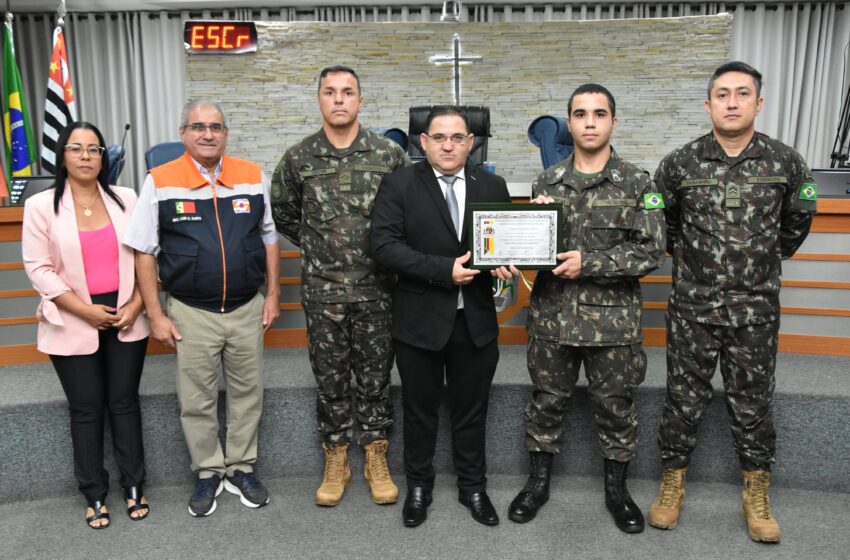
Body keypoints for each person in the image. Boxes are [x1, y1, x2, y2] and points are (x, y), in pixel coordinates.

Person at [648, 61, 816, 544]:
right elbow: (667, 227)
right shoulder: (679, 163)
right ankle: (671, 485)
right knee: (682, 400)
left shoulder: (786, 162)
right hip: (692, 308)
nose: (732, 102)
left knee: (754, 403)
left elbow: (796, 224)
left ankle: (757, 495)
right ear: (708, 105)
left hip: (756, 310)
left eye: (743, 94)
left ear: (758, 103)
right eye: (722, 94)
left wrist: (759, 261)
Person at [506, 84, 665, 533]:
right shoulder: (547, 182)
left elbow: (651, 251)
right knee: (546, 403)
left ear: (614, 121)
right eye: (580, 114)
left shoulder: (639, 184)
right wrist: (529, 234)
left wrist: (589, 263)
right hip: (553, 317)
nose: (590, 122)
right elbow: (538, 252)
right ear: (569, 123)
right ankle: (537, 485)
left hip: (611, 323)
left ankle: (617, 492)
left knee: (615, 407)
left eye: (599, 113)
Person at [124, 99, 280, 517]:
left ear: (226, 134)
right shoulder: (159, 180)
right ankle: (209, 471)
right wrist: (155, 313)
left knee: (248, 394)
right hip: (191, 311)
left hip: (247, 307)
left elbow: (269, 238)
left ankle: (242, 467)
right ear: (183, 133)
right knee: (197, 398)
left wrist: (275, 296)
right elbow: (143, 251)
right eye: (198, 126)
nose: (207, 134)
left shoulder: (251, 176)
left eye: (215, 127)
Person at [371, 105, 517, 528]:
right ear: (423, 142)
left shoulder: (493, 184)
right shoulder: (398, 184)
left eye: (458, 137)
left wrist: (508, 262)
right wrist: (443, 270)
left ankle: (473, 487)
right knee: (420, 411)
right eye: (439, 137)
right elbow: (383, 246)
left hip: (475, 321)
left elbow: (502, 244)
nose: (449, 145)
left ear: (471, 142)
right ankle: (419, 487)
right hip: (419, 320)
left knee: (472, 410)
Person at [270, 66, 409, 507]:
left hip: (377, 292)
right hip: (323, 292)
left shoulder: (389, 155)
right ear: (319, 100)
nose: (339, 100)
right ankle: (336, 459)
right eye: (330, 92)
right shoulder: (297, 158)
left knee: (374, 379)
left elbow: (408, 213)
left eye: (348, 92)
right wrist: (321, 246)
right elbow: (286, 213)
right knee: (329, 381)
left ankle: (375, 456)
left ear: (361, 101)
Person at [22, 121, 151, 529]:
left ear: (103, 157)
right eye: (76, 149)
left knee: (124, 403)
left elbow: (149, 253)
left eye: (94, 149)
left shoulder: (127, 199)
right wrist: (84, 310)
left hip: (125, 313)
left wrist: (137, 302)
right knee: (86, 408)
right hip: (71, 316)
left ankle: (134, 485)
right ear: (62, 155)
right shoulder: (41, 205)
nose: (85, 157)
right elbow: (38, 268)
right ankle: (94, 492)